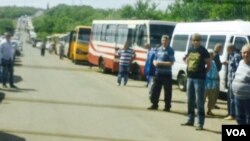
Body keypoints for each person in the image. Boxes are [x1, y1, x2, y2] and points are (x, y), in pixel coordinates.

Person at [181, 33, 211, 130]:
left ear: (200, 41)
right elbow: (186, 60)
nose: (196, 42)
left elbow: (209, 64)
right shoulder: (190, 49)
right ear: (192, 41)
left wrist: (203, 72)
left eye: (197, 40)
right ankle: (190, 119)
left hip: (199, 79)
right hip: (190, 77)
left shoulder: (203, 50)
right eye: (194, 40)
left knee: (199, 101)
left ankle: (200, 122)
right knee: (190, 99)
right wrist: (186, 61)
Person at [147, 35, 175, 112]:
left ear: (168, 41)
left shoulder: (170, 50)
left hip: (167, 74)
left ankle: (167, 106)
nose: (164, 42)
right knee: (155, 90)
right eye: (163, 40)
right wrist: (154, 63)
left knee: (167, 91)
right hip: (158, 73)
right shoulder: (158, 49)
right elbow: (154, 59)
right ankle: (154, 104)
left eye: (165, 40)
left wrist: (160, 63)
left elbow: (171, 63)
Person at [232, 44, 250, 125]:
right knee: (239, 118)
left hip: (248, 98)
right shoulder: (241, 62)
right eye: (244, 52)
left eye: (248, 52)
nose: (246, 54)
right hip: (237, 97)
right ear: (241, 53)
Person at [223, 43, 241, 120]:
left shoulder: (236, 56)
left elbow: (238, 68)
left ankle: (232, 115)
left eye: (227, 49)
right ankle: (230, 112)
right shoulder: (231, 55)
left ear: (230, 49)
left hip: (234, 80)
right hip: (230, 80)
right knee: (229, 98)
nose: (226, 51)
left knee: (232, 98)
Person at [205, 49, 219, 116]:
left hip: (213, 83)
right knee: (202, 98)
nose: (211, 56)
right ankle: (200, 111)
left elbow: (215, 72)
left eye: (212, 54)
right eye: (210, 54)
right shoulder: (204, 61)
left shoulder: (213, 62)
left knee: (212, 99)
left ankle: (209, 110)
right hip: (205, 83)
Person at [213, 43, 223, 109]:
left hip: (213, 73)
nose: (221, 49)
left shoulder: (214, 54)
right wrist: (222, 63)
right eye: (221, 48)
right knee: (215, 90)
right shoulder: (216, 55)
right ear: (218, 48)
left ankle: (213, 104)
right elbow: (216, 65)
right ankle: (213, 104)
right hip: (215, 74)